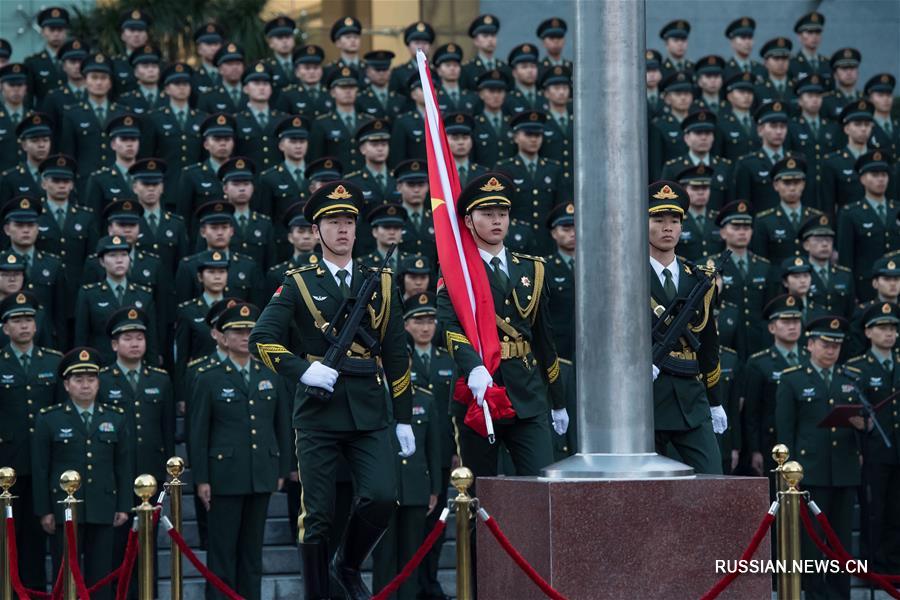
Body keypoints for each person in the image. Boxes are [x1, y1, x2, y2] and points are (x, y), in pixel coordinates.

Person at [249, 180, 415, 600]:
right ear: (317, 230)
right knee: (318, 514)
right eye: (333, 222)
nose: (342, 230)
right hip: (318, 411)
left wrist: (405, 417)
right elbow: (261, 339)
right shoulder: (298, 282)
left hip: (369, 406)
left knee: (382, 496)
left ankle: (348, 563)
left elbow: (396, 354)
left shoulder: (382, 280)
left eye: (348, 222)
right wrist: (304, 370)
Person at [437, 172, 566, 479]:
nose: (497, 221)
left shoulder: (532, 268)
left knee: (539, 486)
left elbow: (544, 338)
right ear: (469, 221)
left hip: (527, 391)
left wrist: (558, 399)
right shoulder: (457, 270)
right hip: (480, 391)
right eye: (487, 214)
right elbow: (449, 325)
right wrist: (474, 368)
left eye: (503, 214)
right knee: (479, 490)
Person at [191, 302, 291, 600]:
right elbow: (199, 433)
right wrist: (202, 478)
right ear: (222, 337)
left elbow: (281, 426)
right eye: (237, 331)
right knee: (222, 553)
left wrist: (282, 468)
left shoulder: (269, 373)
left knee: (252, 552)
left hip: (260, 471)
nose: (245, 336)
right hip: (224, 476)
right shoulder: (208, 377)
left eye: (250, 330)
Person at [31, 347, 132, 600]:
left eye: (91, 379)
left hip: (102, 504)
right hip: (63, 508)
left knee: (101, 576)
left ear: (99, 382)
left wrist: (123, 505)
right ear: (66, 385)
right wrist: (44, 510)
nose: (85, 385)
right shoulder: (49, 419)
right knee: (65, 575)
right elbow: (41, 468)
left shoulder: (115, 418)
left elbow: (123, 465)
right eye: (78, 379)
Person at [776, 316, 866, 599]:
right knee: (813, 540)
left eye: (836, 345)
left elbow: (866, 427)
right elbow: (785, 430)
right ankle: (815, 594)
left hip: (844, 467)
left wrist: (865, 426)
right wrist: (788, 473)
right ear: (811, 344)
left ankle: (841, 594)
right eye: (826, 344)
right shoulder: (793, 379)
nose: (831, 350)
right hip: (809, 471)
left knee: (840, 541)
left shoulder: (849, 379)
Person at [648, 180, 725, 474]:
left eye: (675, 220)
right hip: (649, 400)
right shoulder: (629, 275)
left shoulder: (698, 277)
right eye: (658, 219)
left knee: (712, 476)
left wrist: (715, 401)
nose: (668, 227)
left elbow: (709, 345)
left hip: (691, 398)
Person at [98, 306, 174, 595]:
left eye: (139, 338)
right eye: (127, 338)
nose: (134, 343)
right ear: (115, 344)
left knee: (148, 546)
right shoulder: (102, 380)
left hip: (151, 475)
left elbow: (167, 432)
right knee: (116, 546)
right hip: (115, 477)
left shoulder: (160, 379)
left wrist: (168, 473)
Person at [372, 304, 442, 600]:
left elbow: (434, 449)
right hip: (383, 489)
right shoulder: (370, 400)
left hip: (415, 487)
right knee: (384, 559)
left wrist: (435, 489)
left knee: (411, 558)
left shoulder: (424, 400)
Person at [0, 291, 62, 591]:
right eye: (17, 320)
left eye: (28, 320)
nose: (24, 326)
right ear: (5, 328)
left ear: (36, 326)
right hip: (7, 464)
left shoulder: (53, 361)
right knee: (7, 539)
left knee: (36, 543)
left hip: (44, 467)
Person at [403, 291, 455, 599]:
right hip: (411, 455)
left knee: (437, 526)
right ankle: (409, 583)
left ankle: (430, 582)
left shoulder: (447, 360)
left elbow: (454, 410)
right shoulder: (400, 362)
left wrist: (458, 448)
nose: (426, 327)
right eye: (419, 321)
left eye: (431, 320)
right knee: (410, 529)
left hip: (443, 453)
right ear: (406, 325)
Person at [845, 302, 900, 575]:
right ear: (868, 332)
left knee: (896, 510)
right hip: (875, 450)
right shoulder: (857, 368)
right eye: (882, 328)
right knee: (874, 510)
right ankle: (873, 565)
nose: (889, 333)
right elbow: (853, 415)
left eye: (892, 328)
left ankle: (893, 564)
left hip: (898, 450)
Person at [743, 293, 805, 476]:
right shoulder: (759, 363)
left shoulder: (810, 358)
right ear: (771, 327)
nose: (792, 326)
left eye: (796, 321)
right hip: (773, 443)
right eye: (785, 322)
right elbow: (751, 412)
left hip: (806, 442)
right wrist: (754, 450)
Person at [74, 235, 157, 364]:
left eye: (124, 255)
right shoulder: (89, 294)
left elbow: (151, 340)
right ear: (102, 261)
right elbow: (81, 337)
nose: (119, 260)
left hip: (136, 365)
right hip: (102, 365)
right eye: (112, 255)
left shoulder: (144, 294)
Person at [496, 111, 568, 255]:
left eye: (538, 135)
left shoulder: (553, 169)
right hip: (516, 240)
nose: (534, 139)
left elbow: (561, 205)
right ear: (516, 137)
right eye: (528, 135)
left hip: (547, 240)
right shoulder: (504, 168)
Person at [2, 196, 68, 348]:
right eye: (19, 225)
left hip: (46, 342)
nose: (25, 230)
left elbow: (60, 315)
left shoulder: (53, 264)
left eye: (31, 225)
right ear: (7, 229)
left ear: (38, 228)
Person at [837, 150, 900, 302]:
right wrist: (851, 293)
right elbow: (846, 259)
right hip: (865, 286)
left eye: (884, 175)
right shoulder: (850, 213)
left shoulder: (897, 209)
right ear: (863, 179)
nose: (880, 180)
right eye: (874, 175)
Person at [57, 52, 128, 186]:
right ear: (85, 81)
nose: (99, 82)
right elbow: (68, 154)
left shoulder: (121, 113)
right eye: (94, 77)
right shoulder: (72, 114)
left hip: (116, 182)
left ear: (110, 83)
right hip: (85, 182)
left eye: (103, 78)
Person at [174, 201, 263, 305]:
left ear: (232, 231)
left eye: (224, 227)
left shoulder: (248, 266)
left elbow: (256, 306)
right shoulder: (189, 266)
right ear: (203, 232)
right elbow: (184, 308)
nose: (220, 233)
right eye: (214, 228)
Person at [143, 62, 207, 195]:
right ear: (167, 89)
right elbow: (148, 154)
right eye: (177, 84)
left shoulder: (202, 118)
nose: (182, 88)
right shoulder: (154, 118)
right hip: (167, 187)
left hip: (197, 188)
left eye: (185, 84)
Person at [256, 115, 311, 261]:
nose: (298, 146)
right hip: (283, 246)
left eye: (302, 141)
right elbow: (266, 217)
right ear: (281, 145)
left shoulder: (315, 175)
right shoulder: (269, 177)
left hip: (315, 244)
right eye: (293, 141)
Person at [751, 155, 821, 264]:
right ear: (775, 185)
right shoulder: (764, 221)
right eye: (787, 183)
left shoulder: (815, 218)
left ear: (803, 184)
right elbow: (761, 261)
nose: (792, 188)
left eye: (797, 182)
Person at [659, 109, 733, 211]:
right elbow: (665, 205)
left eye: (708, 133)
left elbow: (730, 204)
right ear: (686, 138)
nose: (703, 138)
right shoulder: (673, 168)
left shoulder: (724, 167)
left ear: (713, 137)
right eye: (698, 133)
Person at [175, 113, 235, 235]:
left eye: (227, 139)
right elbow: (184, 217)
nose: (223, 143)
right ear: (206, 144)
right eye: (217, 139)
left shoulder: (242, 174)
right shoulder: (191, 175)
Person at [129, 157, 190, 278]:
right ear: (135, 187)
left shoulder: (176, 224)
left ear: (162, 187)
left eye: (155, 184)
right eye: (145, 184)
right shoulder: (128, 223)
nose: (151, 188)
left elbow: (182, 265)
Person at [309, 66, 371, 173]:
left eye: (351, 87)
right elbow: (316, 158)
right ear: (333, 92)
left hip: (364, 182)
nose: (348, 91)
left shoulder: (367, 121)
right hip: (336, 182)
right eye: (343, 87)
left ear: (357, 90)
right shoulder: (322, 124)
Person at [218, 157, 276, 271]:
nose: (242, 189)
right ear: (225, 188)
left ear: (253, 187)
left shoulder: (264, 224)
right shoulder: (217, 223)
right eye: (236, 184)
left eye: (246, 184)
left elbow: (270, 263)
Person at [733, 101, 791, 213]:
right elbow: (743, 205)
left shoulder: (795, 160)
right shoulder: (747, 164)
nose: (779, 132)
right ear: (760, 130)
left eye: (782, 126)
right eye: (773, 126)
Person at [820, 100, 875, 217]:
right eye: (858, 124)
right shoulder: (833, 162)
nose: (863, 129)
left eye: (867, 124)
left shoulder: (878, 159)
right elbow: (828, 205)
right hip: (846, 225)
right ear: (846, 129)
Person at [83, 114, 142, 216]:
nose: (129, 144)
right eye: (124, 139)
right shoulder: (100, 179)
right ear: (113, 144)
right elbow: (93, 222)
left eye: (133, 139)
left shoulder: (147, 178)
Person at [800, 215, 855, 318]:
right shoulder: (800, 275)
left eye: (828, 239)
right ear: (806, 245)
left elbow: (850, 313)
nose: (825, 244)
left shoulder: (844, 275)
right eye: (818, 239)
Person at [234, 62, 283, 171]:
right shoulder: (237, 121)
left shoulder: (282, 119)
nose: (261, 88)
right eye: (256, 83)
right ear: (245, 88)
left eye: (265, 83)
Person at [544, 202, 575, 362]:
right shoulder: (545, 268)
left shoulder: (595, 265)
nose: (573, 234)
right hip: (560, 353)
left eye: (576, 227)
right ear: (554, 233)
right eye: (566, 229)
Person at [0, 112, 54, 205]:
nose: (41, 145)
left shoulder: (59, 177)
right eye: (35, 141)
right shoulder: (11, 179)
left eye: (45, 140)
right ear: (24, 145)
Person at [266, 202, 320, 294]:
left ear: (318, 236)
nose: (306, 236)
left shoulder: (328, 269)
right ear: (290, 237)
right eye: (300, 231)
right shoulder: (277, 274)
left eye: (311, 232)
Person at [672, 164, 723, 262]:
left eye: (705, 188)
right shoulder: (676, 219)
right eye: (695, 188)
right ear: (685, 190)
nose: (701, 192)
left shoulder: (718, 219)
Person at [471, 69, 515, 168]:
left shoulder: (512, 123)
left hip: (509, 179)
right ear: (481, 94)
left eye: (499, 91)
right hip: (485, 179)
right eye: (491, 91)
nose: (496, 95)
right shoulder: (474, 124)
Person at [24, 7, 69, 103]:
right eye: (52, 30)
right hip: (44, 116)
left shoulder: (75, 61)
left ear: (66, 32)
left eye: (60, 29)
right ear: (43, 32)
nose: (56, 34)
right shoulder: (33, 63)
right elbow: (28, 97)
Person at [275, 45, 332, 119]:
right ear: (297, 72)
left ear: (321, 71)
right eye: (307, 68)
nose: (312, 72)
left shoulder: (331, 93)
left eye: (316, 67)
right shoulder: (288, 95)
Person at [717, 72, 760, 162]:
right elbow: (718, 157)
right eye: (741, 92)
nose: (746, 96)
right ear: (729, 96)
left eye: (749, 92)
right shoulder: (721, 124)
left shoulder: (759, 121)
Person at [539, 65, 573, 178]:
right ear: (546, 93)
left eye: (565, 87)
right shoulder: (541, 122)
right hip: (551, 180)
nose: (562, 92)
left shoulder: (577, 121)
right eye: (557, 88)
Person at [197, 43, 247, 115]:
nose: (235, 67)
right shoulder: (208, 97)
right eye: (230, 64)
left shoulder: (252, 93)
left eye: (238, 63)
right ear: (220, 69)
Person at [460, 14, 507, 91]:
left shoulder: (505, 68)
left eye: (493, 35)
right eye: (485, 36)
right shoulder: (467, 70)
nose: (490, 39)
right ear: (476, 41)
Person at [357, 50, 407, 120]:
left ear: (390, 71)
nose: (381, 73)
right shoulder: (360, 99)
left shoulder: (400, 99)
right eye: (377, 70)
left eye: (385, 69)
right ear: (368, 72)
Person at [110, 9, 151, 94]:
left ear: (147, 35)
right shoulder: (114, 65)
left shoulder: (158, 65)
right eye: (131, 30)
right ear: (122, 35)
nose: (136, 34)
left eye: (140, 30)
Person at [388, 20, 435, 96]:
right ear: (408, 46)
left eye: (425, 43)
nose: (421, 46)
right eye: (417, 43)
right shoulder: (399, 73)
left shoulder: (437, 71)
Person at [115, 44, 164, 116]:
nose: (151, 70)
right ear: (136, 72)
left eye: (154, 66)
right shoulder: (125, 101)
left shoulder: (170, 98)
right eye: (145, 66)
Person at [444, 112, 489, 187]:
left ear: (472, 141)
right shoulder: (441, 174)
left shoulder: (483, 173)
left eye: (465, 138)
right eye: (455, 138)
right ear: (445, 141)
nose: (461, 142)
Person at [0, 63, 29, 172]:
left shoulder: (33, 118)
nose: (16, 90)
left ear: (26, 88)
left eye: (20, 85)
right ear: (2, 86)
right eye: (11, 85)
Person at [433, 44, 477, 116]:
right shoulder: (434, 97)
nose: (452, 68)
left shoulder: (472, 97)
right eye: (448, 65)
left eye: (456, 65)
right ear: (438, 70)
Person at [788, 12, 830, 84]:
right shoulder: (792, 63)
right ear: (799, 36)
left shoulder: (827, 63)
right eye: (810, 32)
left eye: (817, 32)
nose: (814, 36)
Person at [753, 38, 795, 109]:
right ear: (766, 63)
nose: (781, 62)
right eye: (776, 58)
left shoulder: (797, 88)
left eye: (784, 58)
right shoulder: (758, 90)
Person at [503, 44, 545, 115]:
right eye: (524, 67)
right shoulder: (506, 100)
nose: (530, 71)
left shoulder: (546, 97)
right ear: (514, 72)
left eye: (533, 66)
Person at [822, 48, 862, 122]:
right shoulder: (826, 102)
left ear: (857, 72)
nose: (849, 73)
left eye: (852, 68)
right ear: (835, 75)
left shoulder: (866, 99)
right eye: (844, 69)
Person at [325, 17, 366, 86]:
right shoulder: (330, 70)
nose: (353, 40)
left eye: (356, 37)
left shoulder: (369, 69)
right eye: (348, 37)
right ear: (338, 43)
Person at [723, 16, 766, 82]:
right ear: (732, 42)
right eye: (743, 38)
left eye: (750, 38)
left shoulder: (761, 69)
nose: (747, 42)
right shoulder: (725, 70)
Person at [263, 16, 298, 96]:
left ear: (294, 40)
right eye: (279, 37)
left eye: (288, 37)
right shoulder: (265, 67)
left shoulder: (302, 64)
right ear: (270, 43)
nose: (284, 41)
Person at [867, 74, 899, 157]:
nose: (886, 99)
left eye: (889, 95)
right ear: (870, 99)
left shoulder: (897, 123)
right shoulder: (865, 126)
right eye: (880, 95)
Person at [191, 23, 226, 98]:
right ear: (199, 49)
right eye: (208, 44)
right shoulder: (192, 78)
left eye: (216, 44)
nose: (213, 48)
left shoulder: (230, 75)